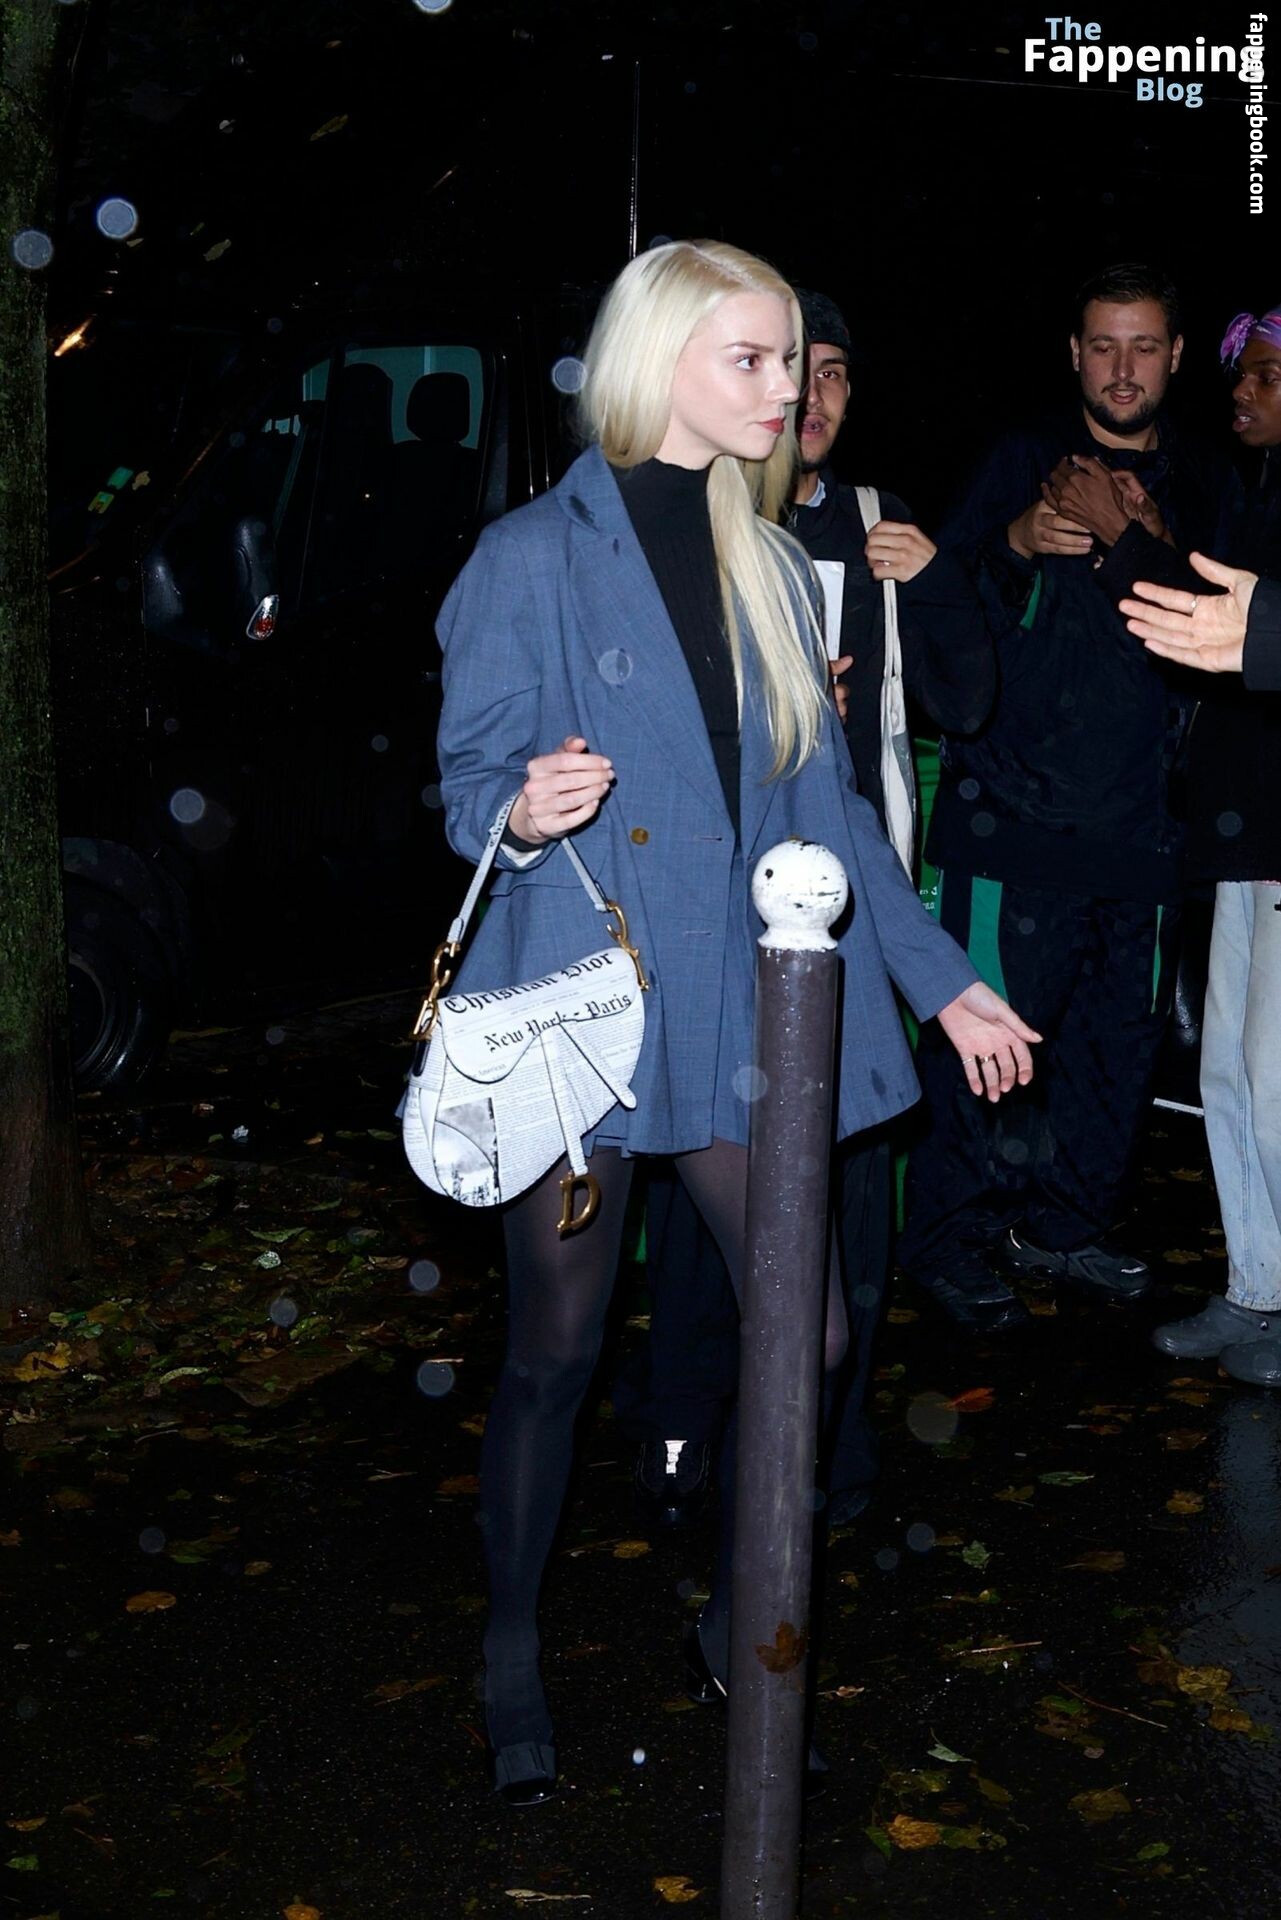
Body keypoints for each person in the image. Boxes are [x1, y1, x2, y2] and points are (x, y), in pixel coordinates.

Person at [434, 239, 1039, 1806]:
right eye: (755, 360)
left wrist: (941, 977)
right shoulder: (529, 555)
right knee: (555, 1350)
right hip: (577, 997)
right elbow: (466, 782)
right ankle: (510, 1646)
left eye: (792, 361)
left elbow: (828, 814)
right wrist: (518, 806)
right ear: (665, 363)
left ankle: (738, 1620)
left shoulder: (768, 562)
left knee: (811, 1332)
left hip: (727, 1006)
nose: (789, 389)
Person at [624, 286, 999, 1533]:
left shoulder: (877, 529)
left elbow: (965, 702)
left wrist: (937, 587)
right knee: (706, 1224)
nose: (806, 396)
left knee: (848, 1214)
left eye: (829, 372)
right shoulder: (687, 527)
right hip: (709, 931)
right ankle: (686, 1454)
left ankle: (823, 1470)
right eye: (786, 368)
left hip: (853, 915)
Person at [897, 261, 1235, 1332]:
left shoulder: (1206, 477)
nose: (1122, 369)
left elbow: (1222, 631)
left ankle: (1065, 1226)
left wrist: (1140, 535)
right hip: (1015, 822)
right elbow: (937, 601)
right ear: (1073, 355)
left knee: (1114, 1051)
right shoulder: (1020, 457)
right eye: (1102, 346)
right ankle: (948, 1240)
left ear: (1175, 357)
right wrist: (1014, 541)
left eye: (1143, 347)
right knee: (985, 1046)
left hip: (1143, 828)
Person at [1118, 304, 1281, 1387]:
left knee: (1273, 1084)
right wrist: (1141, 536)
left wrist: (1133, 539)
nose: (1242, 390)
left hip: (1273, 830)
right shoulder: (1253, 492)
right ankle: (1255, 1288)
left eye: (1265, 374)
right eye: (1240, 373)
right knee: (1224, 1073)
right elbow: (1202, 626)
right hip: (1240, 832)